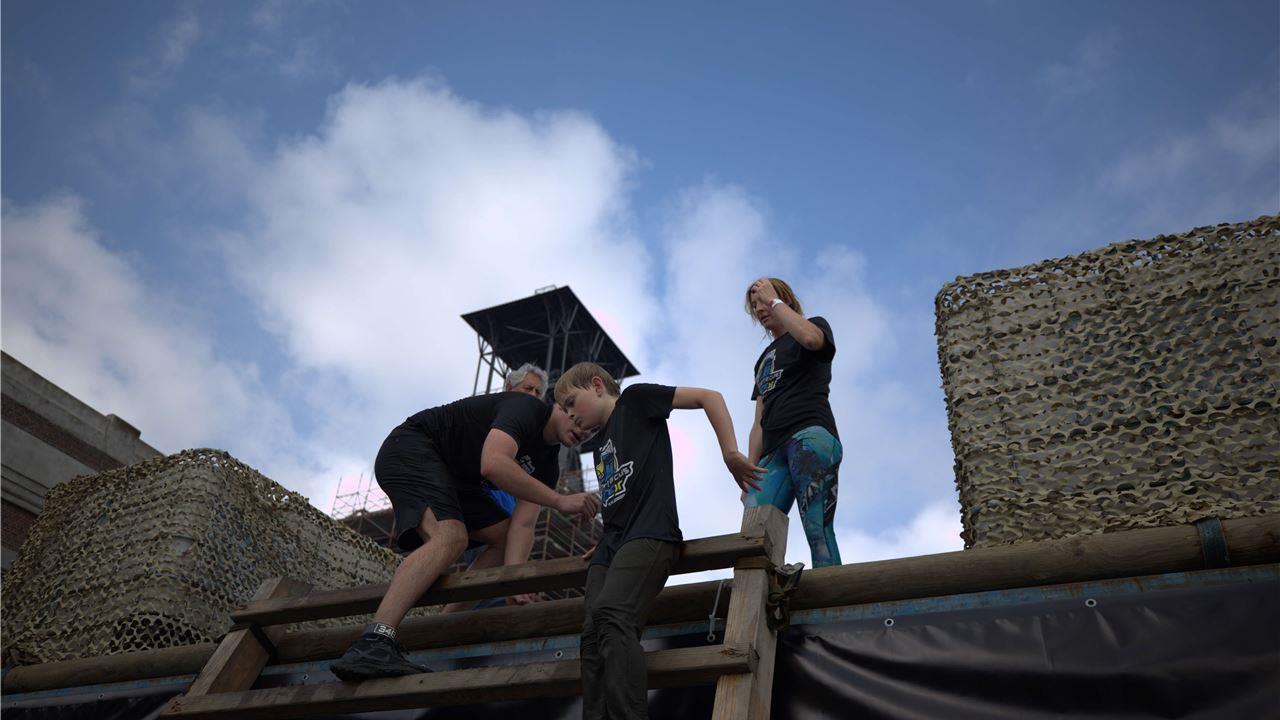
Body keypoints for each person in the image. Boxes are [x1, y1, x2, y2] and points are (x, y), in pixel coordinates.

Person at [330, 391, 599, 681]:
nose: (585, 432)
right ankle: (374, 640)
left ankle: (439, 630)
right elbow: (492, 463)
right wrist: (559, 501)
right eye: (582, 422)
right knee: (451, 537)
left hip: (455, 480)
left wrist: (515, 583)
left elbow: (522, 526)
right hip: (413, 447)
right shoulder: (526, 409)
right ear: (562, 405)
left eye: (594, 430)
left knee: (503, 538)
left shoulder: (548, 465)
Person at [554, 362, 762, 720]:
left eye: (572, 402)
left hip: (649, 533)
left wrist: (730, 453)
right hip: (612, 543)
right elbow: (620, 495)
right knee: (591, 636)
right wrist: (605, 536)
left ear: (598, 385)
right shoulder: (600, 445)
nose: (570, 414)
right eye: (564, 409)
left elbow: (709, 397)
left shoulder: (634, 401)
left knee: (612, 615)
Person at [743, 276, 843, 568]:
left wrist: (774, 300)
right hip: (772, 453)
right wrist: (750, 470)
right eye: (755, 305)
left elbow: (812, 340)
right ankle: (766, 592)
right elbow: (758, 422)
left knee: (817, 528)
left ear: (782, 297)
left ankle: (833, 592)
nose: (760, 308)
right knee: (752, 537)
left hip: (809, 435)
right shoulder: (763, 360)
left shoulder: (813, 326)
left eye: (763, 300)